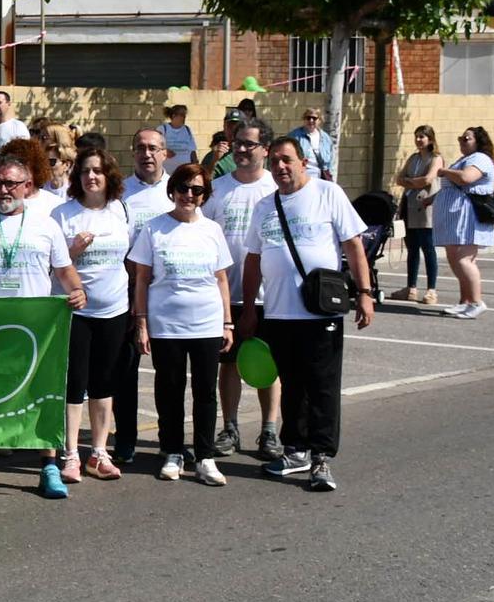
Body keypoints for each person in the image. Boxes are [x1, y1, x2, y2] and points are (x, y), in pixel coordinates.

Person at [0, 153, 88, 498]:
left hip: (37, 331)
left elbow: (64, 270)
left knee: (43, 395)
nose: (3, 189)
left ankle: (48, 466)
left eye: (11, 183)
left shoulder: (46, 225)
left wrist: (78, 291)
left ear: (27, 186)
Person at [241, 136, 372, 492]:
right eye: (275, 162)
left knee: (322, 386)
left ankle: (321, 458)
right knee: (293, 385)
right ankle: (295, 449)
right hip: (279, 313)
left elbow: (353, 245)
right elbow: (253, 260)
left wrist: (364, 293)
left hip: (319, 314)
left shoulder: (328, 194)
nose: (281, 167)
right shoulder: (264, 207)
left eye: (287, 160)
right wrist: (251, 309)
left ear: (302, 162)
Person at [128, 163, 235, 486]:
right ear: (172, 191)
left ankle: (204, 456)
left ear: (205, 195)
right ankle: (172, 450)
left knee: (205, 392)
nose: (189, 195)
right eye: (184, 188)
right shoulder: (155, 228)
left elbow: (221, 279)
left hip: (206, 323)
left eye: (197, 190)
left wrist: (227, 323)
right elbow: (142, 280)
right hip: (166, 325)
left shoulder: (212, 230)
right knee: (169, 389)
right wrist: (141, 323)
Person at [205, 121, 282, 459]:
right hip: (226, 295)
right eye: (238, 143)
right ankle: (231, 427)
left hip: (270, 296)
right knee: (229, 364)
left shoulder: (275, 188)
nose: (241, 149)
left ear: (265, 148)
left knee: (269, 364)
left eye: (249, 144)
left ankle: (269, 431)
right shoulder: (217, 189)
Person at [54, 148, 131, 483]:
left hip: (114, 308)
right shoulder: (63, 214)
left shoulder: (119, 210)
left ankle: (98, 452)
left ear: (108, 175)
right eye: (85, 171)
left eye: (98, 171)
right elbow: (50, 265)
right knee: (75, 383)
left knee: (104, 382)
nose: (91, 177)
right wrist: (72, 251)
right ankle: (70, 454)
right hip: (75, 310)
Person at [112, 126, 174, 461]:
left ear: (165, 153)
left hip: (168, 294)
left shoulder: (178, 190)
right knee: (125, 372)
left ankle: (171, 443)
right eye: (140, 148)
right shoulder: (120, 192)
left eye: (153, 148)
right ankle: (126, 438)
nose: (146, 154)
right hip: (130, 292)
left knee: (170, 373)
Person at [434, 126, 494, 319]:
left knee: (464, 260)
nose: (462, 141)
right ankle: (465, 301)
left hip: (468, 217)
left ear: (478, 141)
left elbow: (466, 178)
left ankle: (477, 302)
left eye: (467, 138)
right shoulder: (464, 159)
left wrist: (444, 171)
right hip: (454, 217)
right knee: (454, 259)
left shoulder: (480, 159)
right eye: (460, 138)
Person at [392, 125, 443, 305]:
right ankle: (411, 288)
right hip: (408, 206)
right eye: (417, 137)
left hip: (425, 207)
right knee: (412, 249)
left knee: (428, 249)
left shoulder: (436, 158)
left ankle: (431, 290)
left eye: (422, 136)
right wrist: (413, 182)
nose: (419, 140)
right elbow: (399, 178)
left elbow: (428, 179)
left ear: (430, 139)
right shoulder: (413, 158)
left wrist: (409, 182)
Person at [289, 108, 337, 181]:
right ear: (304, 119)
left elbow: (332, 160)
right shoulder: (294, 136)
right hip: (303, 173)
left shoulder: (325, 138)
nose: (311, 120)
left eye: (314, 118)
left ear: (319, 120)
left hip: (322, 175)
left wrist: (330, 174)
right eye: (308, 118)